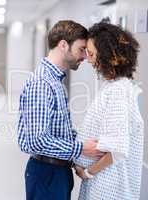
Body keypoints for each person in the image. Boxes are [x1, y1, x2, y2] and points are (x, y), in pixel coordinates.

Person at [17, 20, 103, 200]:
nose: (85, 57)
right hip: (46, 174)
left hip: (57, 172)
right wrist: (80, 148)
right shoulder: (42, 83)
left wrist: (80, 149)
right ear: (63, 45)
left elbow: (59, 130)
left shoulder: (55, 81)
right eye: (81, 49)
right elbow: (36, 141)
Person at [74, 19, 144, 200]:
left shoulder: (118, 91)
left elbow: (116, 150)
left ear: (105, 54)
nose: (87, 59)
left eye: (90, 53)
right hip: (102, 184)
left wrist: (87, 172)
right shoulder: (114, 86)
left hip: (108, 187)